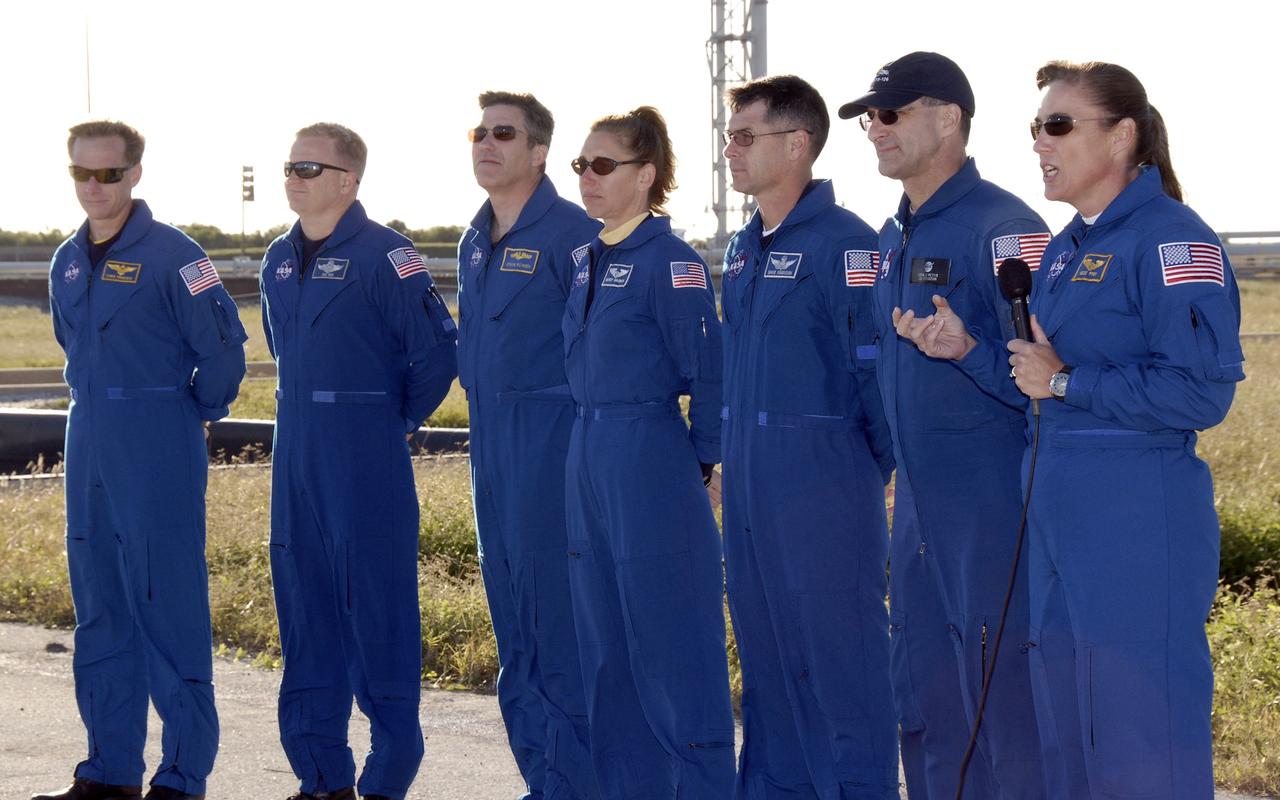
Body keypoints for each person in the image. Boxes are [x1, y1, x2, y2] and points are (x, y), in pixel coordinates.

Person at [896, 61, 1245, 799]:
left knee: (1140, 736)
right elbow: (1036, 382)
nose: (1039, 144)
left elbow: (1200, 391)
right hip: (1056, 515)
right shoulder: (1062, 250)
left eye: (1058, 126)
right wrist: (969, 350)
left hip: (1135, 512)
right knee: (1067, 737)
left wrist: (1067, 382)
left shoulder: (1173, 243)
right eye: (1036, 128)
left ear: (1121, 137)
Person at [838, 52, 1050, 798]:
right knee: (924, 700)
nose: (875, 131)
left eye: (889, 114)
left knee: (1003, 699)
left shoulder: (1004, 229)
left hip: (992, 507)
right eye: (870, 119)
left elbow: (1048, 382)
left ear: (948, 118)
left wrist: (970, 353)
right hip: (919, 511)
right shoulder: (892, 236)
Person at [36, 120, 247, 800]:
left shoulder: (176, 255)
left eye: (109, 174)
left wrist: (187, 415)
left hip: (156, 430)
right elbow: (75, 344)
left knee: (166, 601)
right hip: (89, 432)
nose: (95, 188)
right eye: (82, 174)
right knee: (100, 605)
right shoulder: (66, 258)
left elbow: (221, 353)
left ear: (134, 174)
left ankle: (182, 777)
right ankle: (110, 771)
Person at [259, 123, 458, 800]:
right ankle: (322, 780)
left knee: (377, 613)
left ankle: (386, 778)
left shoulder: (388, 256)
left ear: (347, 180)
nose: (294, 177)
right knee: (306, 613)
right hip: (297, 453)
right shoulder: (277, 260)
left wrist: (388, 420)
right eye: (290, 165)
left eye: (309, 168)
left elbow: (435, 355)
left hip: (364, 449)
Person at [717, 75, 898, 799]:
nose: (729, 150)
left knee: (842, 663)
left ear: (797, 145)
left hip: (824, 485)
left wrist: (856, 474)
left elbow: (877, 379)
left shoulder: (848, 244)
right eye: (729, 135)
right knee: (767, 665)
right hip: (754, 487)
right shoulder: (742, 245)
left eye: (744, 136)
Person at [563, 106, 734, 799]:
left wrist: (700, 460)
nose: (587, 178)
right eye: (580, 165)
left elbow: (710, 370)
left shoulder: (672, 262)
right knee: (606, 649)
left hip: (648, 451)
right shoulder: (585, 259)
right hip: (588, 451)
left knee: (670, 646)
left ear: (646, 176)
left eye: (602, 165)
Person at [459, 90, 602, 800]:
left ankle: (576, 784)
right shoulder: (472, 239)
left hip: (553, 446)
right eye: (478, 133)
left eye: (504, 134)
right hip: (491, 451)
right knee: (514, 631)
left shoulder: (575, 236)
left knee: (560, 630)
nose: (487, 144)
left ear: (539, 151)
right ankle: (541, 781)